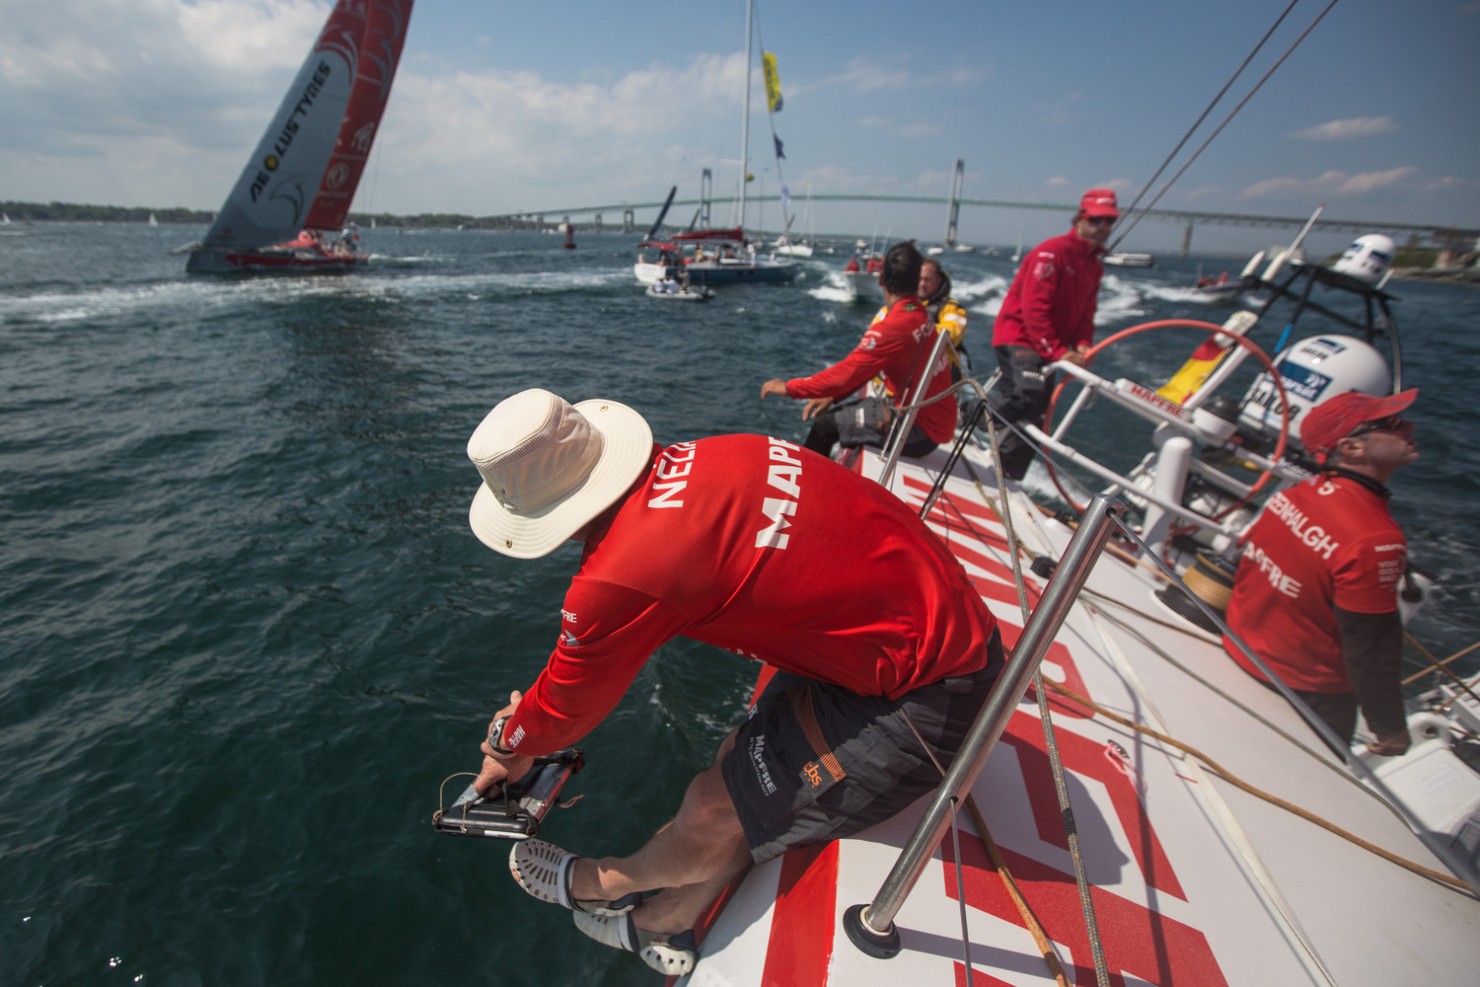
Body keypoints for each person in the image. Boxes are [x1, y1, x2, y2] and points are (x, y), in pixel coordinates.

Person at [463, 388, 1004, 976]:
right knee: (737, 761)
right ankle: (670, 918)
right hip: (925, 619)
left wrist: (509, 743)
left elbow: (569, 704)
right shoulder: (718, 451)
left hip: (930, 691)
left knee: (710, 807)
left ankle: (598, 883)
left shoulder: (620, 575)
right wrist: (531, 727)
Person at [1222, 389, 1420, 757]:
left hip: (1239, 647)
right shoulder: (1375, 539)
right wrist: (1390, 730)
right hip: (1306, 692)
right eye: (1392, 424)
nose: (1408, 427)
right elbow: (1370, 649)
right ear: (1352, 448)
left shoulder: (1297, 494)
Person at [760, 240, 957, 458]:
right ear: (915, 282)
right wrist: (834, 397)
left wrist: (790, 388)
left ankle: (806, 480)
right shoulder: (918, 312)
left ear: (881, 279)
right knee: (833, 418)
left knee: (823, 427)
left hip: (920, 431)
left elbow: (844, 375)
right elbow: (868, 368)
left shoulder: (893, 328)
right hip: (931, 420)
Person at [988, 188, 1118, 480]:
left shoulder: (1093, 267)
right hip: (1019, 337)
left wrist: (1083, 345)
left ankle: (1007, 475)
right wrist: (1059, 352)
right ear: (1080, 219)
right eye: (1097, 219)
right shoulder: (1051, 253)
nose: (1103, 227)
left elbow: (1086, 314)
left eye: (1110, 221)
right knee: (1027, 392)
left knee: (1037, 414)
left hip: (1047, 348)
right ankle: (968, 412)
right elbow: (1034, 310)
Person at [920, 257, 970, 380]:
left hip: (943, 374)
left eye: (927, 280)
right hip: (912, 371)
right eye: (919, 279)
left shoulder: (953, 309)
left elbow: (950, 335)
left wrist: (916, 329)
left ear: (939, 280)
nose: (922, 284)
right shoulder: (907, 306)